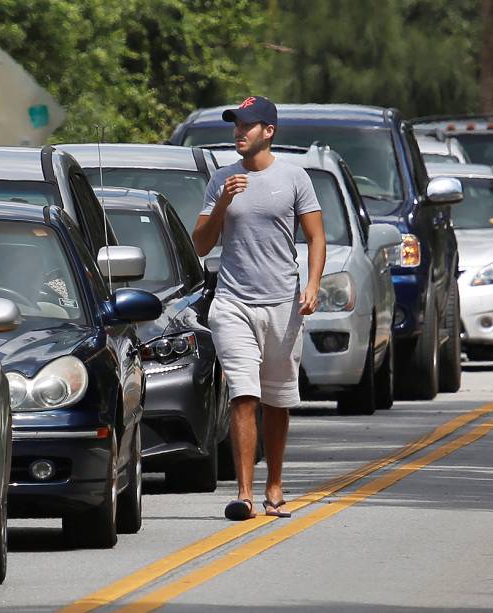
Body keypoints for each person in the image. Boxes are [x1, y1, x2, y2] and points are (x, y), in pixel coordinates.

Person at [192, 96, 326, 521]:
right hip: (232, 302)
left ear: (268, 131)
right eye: (235, 125)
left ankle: (275, 486)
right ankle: (245, 494)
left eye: (247, 125)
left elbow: (316, 237)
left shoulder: (294, 177)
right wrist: (223, 204)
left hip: (283, 305)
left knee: (277, 400)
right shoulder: (222, 180)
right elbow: (200, 244)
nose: (238, 132)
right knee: (243, 395)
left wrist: (313, 284)